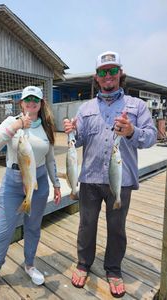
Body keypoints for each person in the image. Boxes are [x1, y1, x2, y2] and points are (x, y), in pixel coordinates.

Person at [63, 51, 157, 298]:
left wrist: (131, 131)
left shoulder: (137, 106)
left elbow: (152, 138)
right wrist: (72, 131)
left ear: (120, 74)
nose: (108, 76)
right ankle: (84, 263)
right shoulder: (85, 108)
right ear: (96, 77)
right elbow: (80, 140)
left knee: (117, 228)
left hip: (121, 181)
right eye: (103, 72)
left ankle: (113, 269)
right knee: (86, 225)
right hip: (90, 180)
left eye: (113, 71)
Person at [0, 85, 61, 300]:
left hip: (40, 181)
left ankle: (29, 265)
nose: (31, 102)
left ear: (41, 103)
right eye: (28, 99)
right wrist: (18, 124)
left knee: (33, 227)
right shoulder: (11, 122)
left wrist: (56, 185)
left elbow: (50, 159)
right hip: (14, 181)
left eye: (36, 99)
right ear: (21, 102)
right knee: (3, 230)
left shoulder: (46, 127)